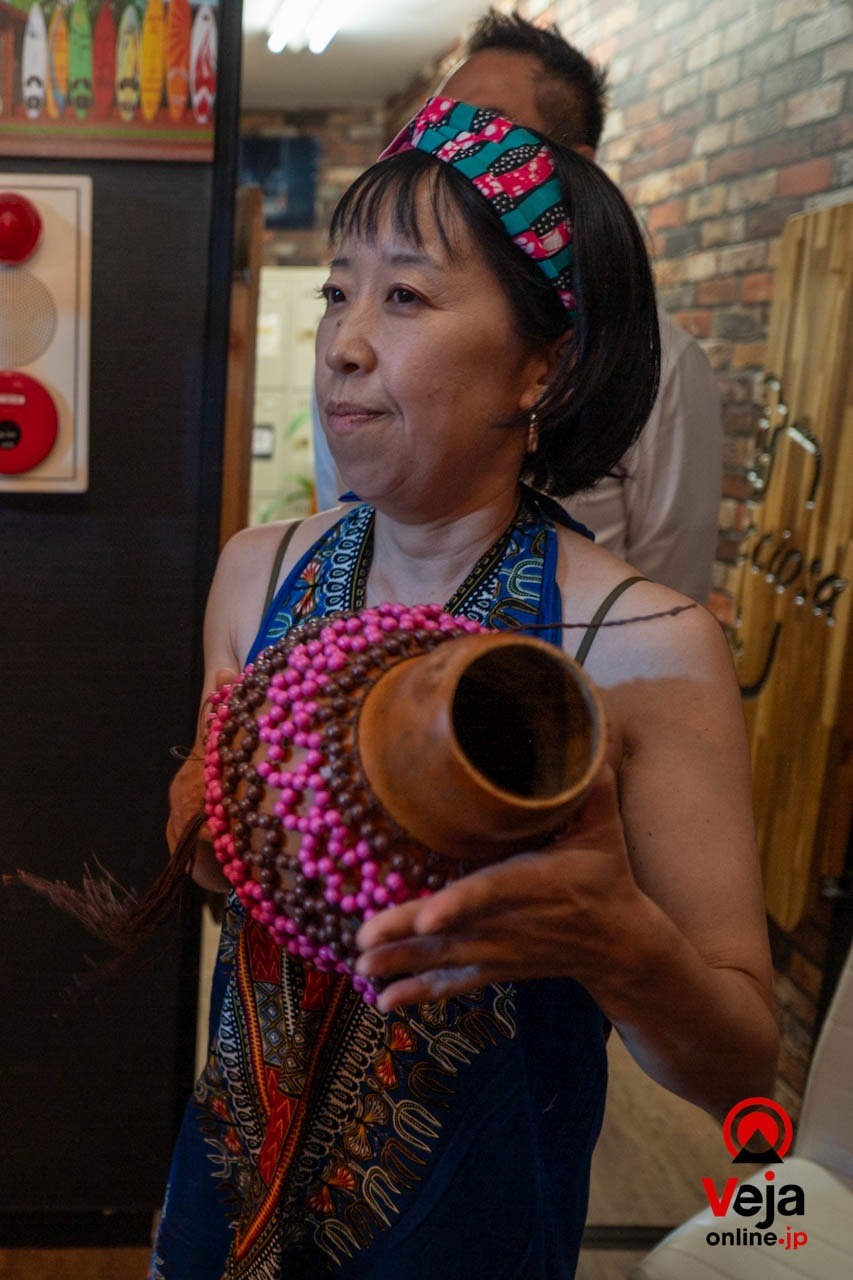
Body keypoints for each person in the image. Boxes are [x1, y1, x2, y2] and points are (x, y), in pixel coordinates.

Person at [155, 98, 777, 1278]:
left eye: (405, 295)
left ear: (545, 362)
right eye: (338, 291)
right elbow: (231, 890)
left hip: (472, 1235)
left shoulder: (639, 642)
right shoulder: (258, 571)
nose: (342, 342)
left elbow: (743, 1065)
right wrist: (204, 823)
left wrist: (623, 945)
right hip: (227, 1197)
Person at [311, 9, 723, 603]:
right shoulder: (265, 570)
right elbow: (346, 506)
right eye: (336, 293)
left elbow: (671, 584)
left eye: (486, 129)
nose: (446, 145)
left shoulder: (669, 365)